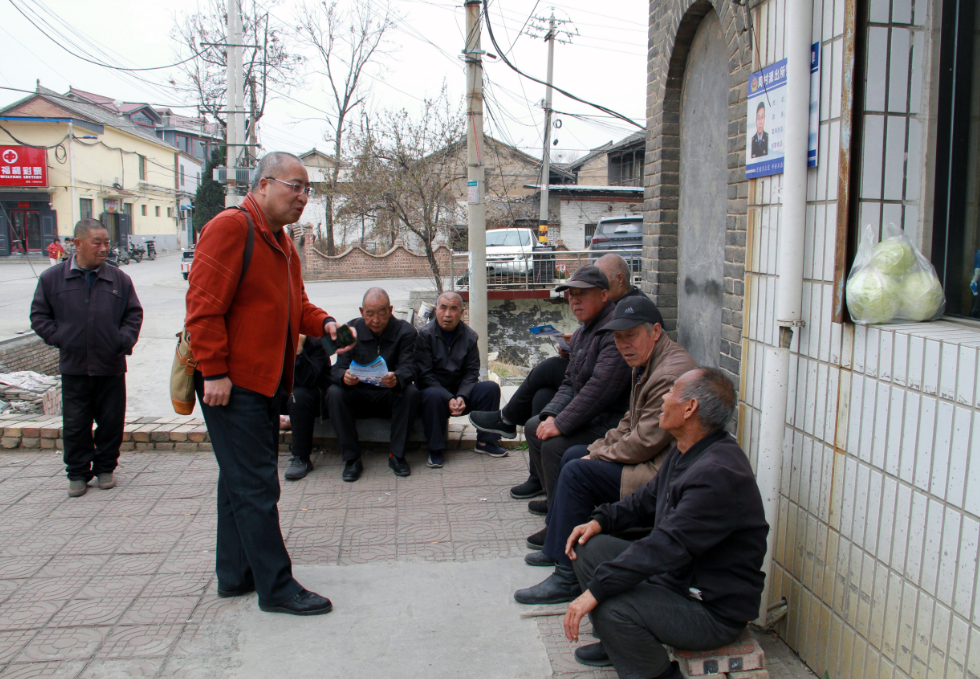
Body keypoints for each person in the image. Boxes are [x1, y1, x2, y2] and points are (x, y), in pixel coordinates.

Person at [186, 151, 348, 616]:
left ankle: (235, 575)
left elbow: (296, 305)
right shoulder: (232, 227)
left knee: (237, 481)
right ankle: (276, 588)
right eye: (293, 186)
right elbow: (202, 306)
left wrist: (326, 323)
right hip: (231, 384)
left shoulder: (281, 241)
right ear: (262, 184)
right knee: (258, 485)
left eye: (307, 189)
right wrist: (214, 369)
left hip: (260, 384)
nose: (302, 197)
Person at [558, 368, 768, 678]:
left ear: (689, 408)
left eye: (670, 394)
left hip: (710, 611)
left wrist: (595, 592)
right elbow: (646, 499)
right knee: (587, 546)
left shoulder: (717, 474)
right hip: (676, 582)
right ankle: (620, 642)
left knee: (610, 606)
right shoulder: (687, 450)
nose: (662, 401)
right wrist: (601, 521)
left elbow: (666, 546)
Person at [515, 296, 697, 603]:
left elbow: (645, 442)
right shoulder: (646, 360)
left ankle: (567, 576)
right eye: (618, 338)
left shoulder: (667, 372)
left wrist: (597, 454)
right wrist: (596, 448)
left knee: (578, 469)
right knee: (575, 455)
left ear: (654, 331)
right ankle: (562, 547)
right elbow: (630, 421)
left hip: (662, 472)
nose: (623, 344)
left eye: (631, 336)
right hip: (650, 458)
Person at [470, 255, 645, 500]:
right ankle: (551, 496)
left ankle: (560, 513)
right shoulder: (585, 329)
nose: (575, 301)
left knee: (552, 440)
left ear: (605, 295)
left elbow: (600, 389)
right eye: (571, 295)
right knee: (536, 422)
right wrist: (552, 414)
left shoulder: (614, 329)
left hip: (612, 419)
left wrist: (561, 423)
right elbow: (569, 382)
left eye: (582, 294)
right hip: (593, 411)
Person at [30, 219, 143, 497]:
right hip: (74, 367)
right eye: (97, 242)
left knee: (111, 421)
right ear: (77, 244)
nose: (104, 248)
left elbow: (133, 315)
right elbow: (39, 316)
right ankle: (78, 473)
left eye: (106, 242)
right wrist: (60, 338)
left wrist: (122, 340)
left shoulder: (119, 279)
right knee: (76, 423)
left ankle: (105, 468)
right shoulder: (52, 279)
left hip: (111, 365)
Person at [328, 287, 419, 481]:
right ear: (362, 312)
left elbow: (410, 367)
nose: (376, 320)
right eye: (369, 314)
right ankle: (352, 459)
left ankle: (397, 455)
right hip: (359, 394)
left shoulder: (406, 331)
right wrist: (343, 377)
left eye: (381, 313)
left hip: (389, 394)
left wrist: (397, 377)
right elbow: (335, 369)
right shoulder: (348, 330)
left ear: (391, 310)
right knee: (334, 393)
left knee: (410, 392)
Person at [416, 291, 506, 469]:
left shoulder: (470, 336)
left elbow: (472, 373)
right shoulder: (425, 335)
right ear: (436, 310)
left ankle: (485, 442)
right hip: (436, 394)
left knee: (490, 388)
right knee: (432, 394)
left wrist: (462, 396)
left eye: (453, 309)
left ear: (462, 312)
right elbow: (424, 375)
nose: (447, 314)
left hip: (460, 393)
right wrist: (448, 397)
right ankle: (435, 449)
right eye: (443, 308)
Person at [283, 335, 332, 481]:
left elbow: (308, 380)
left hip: (315, 394)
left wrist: (298, 350)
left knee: (298, 396)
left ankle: (301, 457)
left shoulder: (316, 343)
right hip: (289, 390)